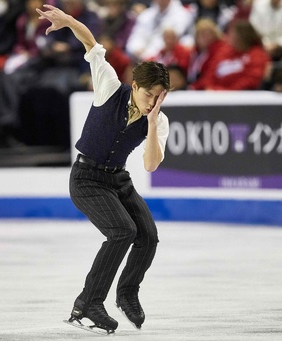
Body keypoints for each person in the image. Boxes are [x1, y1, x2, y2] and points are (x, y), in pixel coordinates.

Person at [37, 3, 170, 334]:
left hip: (118, 180)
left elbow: (151, 165)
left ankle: (126, 293)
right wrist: (67, 20)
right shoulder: (110, 86)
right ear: (136, 86)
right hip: (85, 179)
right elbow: (92, 45)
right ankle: (88, 303)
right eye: (150, 95)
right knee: (123, 231)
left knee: (148, 236)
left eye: (161, 97)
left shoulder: (160, 121)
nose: (153, 103)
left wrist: (152, 124)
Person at [193, 19, 271, 90]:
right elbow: (210, 74)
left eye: (233, 35)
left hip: (240, 97)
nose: (228, 37)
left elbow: (251, 80)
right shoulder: (224, 52)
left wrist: (225, 91)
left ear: (243, 37)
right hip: (216, 94)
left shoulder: (257, 55)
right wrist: (208, 87)